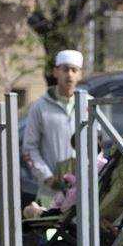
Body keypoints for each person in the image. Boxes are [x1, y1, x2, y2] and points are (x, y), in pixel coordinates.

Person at [22, 49, 84, 206]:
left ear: (80, 74)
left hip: (84, 188)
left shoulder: (88, 104)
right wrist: (49, 178)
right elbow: (29, 149)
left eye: (74, 70)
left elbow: (98, 147)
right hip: (50, 191)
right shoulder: (40, 107)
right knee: (51, 230)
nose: (69, 74)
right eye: (65, 69)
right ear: (56, 72)